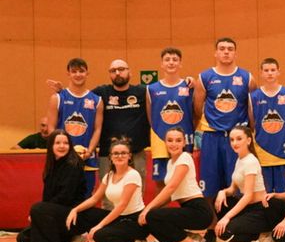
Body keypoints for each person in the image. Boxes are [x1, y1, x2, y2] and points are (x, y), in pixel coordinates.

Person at [194, 37, 256, 211]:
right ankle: (212, 223)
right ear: (216, 53)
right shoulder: (205, 77)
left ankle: (237, 220)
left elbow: (253, 109)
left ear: (235, 53)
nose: (226, 52)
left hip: (237, 138)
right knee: (209, 184)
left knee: (238, 183)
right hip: (212, 136)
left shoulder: (247, 77)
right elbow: (197, 109)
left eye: (230, 49)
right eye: (222, 48)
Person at [66, 137, 148, 242]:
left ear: (129, 156)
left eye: (123, 153)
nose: (119, 156)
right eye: (116, 153)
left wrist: (99, 225)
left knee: (99, 235)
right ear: (110, 157)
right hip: (119, 218)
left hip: (134, 221)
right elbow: (94, 199)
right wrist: (75, 210)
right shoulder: (109, 176)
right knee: (84, 214)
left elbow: (122, 205)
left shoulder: (132, 175)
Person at [138, 126, 215, 242]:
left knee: (152, 215)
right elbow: (169, 196)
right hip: (187, 208)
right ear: (165, 142)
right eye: (170, 140)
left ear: (184, 143)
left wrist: (148, 209)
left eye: (178, 140)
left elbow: (171, 187)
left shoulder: (185, 157)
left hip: (199, 210)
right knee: (152, 217)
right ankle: (191, 237)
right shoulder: (170, 163)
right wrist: (148, 210)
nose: (174, 144)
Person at [16, 131, 86, 242]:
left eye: (65, 143)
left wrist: (41, 212)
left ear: (70, 145)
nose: (62, 146)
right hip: (56, 213)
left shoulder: (74, 165)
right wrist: (39, 216)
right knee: (23, 238)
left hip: (72, 214)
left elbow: (66, 196)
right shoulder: (52, 165)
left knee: (37, 208)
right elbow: (47, 195)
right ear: (51, 146)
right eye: (57, 143)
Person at [212, 124, 270, 242]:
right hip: (247, 207)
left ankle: (261, 234)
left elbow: (248, 195)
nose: (235, 143)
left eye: (239, 139)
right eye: (232, 140)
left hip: (259, 210)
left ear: (248, 140)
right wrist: (222, 192)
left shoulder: (250, 161)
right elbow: (232, 189)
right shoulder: (240, 159)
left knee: (224, 230)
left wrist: (226, 218)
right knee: (220, 201)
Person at [47, 57, 102, 193]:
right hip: (62, 159)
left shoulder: (97, 100)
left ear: (87, 73)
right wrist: (60, 150)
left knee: (86, 197)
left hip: (86, 159)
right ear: (68, 74)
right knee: (61, 197)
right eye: (74, 71)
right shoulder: (57, 98)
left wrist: (90, 150)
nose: (78, 74)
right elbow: (51, 128)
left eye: (81, 71)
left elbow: (97, 129)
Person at [89, 59, 150, 182]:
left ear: (129, 72)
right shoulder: (101, 93)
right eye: (113, 70)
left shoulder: (142, 92)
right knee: (107, 191)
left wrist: (187, 83)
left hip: (136, 153)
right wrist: (61, 93)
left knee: (136, 191)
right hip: (108, 154)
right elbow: (79, 97)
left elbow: (165, 91)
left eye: (121, 69)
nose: (117, 73)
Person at [147, 47, 194, 183]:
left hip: (183, 137)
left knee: (184, 178)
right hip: (159, 137)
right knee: (160, 181)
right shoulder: (152, 88)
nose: (171, 62)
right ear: (162, 64)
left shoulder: (189, 86)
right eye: (167, 60)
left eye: (175, 59)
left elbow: (195, 114)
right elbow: (150, 116)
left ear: (180, 63)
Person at [249, 57, 285, 195]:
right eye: (266, 70)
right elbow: (252, 124)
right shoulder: (253, 96)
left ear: (278, 72)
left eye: (273, 70)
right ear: (261, 73)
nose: (270, 73)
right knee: (264, 194)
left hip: (284, 153)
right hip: (263, 152)